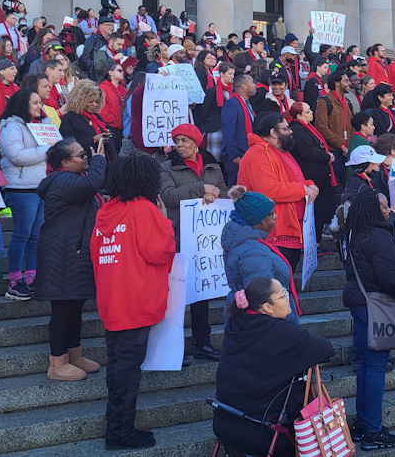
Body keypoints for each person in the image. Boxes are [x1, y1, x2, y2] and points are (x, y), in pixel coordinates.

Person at [91, 154, 176, 450]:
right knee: (127, 371)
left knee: (117, 367)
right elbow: (160, 251)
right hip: (136, 301)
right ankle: (120, 432)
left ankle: (116, 426)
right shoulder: (144, 210)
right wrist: (164, 220)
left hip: (113, 300)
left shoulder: (107, 211)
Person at [213, 277, 334, 457]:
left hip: (225, 424)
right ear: (267, 307)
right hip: (264, 433)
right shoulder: (281, 331)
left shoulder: (235, 325)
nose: (289, 299)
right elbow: (326, 349)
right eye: (284, 295)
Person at [342, 190, 395, 450]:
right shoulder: (378, 236)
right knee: (374, 368)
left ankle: (363, 424)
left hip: (362, 304)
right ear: (373, 209)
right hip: (376, 306)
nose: (388, 210)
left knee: (366, 366)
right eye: (383, 206)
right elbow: (391, 277)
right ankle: (372, 430)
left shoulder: (357, 234)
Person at [35, 137, 106, 380]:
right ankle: (57, 362)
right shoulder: (63, 180)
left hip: (72, 251)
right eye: (79, 155)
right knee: (64, 308)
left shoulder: (71, 179)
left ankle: (74, 355)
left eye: (85, 154)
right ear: (65, 162)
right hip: (61, 253)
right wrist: (99, 160)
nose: (85, 156)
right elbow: (95, 181)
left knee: (75, 304)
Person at [159, 123, 227, 361]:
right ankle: (170, 346)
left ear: (196, 143)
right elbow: (167, 197)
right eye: (176, 141)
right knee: (174, 293)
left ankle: (203, 342)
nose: (179, 146)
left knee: (201, 292)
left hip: (204, 240)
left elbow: (224, 193)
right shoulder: (167, 168)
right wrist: (201, 188)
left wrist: (219, 193)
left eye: (184, 141)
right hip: (178, 236)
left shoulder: (212, 166)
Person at [238, 112, 319, 270]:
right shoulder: (258, 153)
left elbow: (293, 180)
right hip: (272, 235)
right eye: (286, 128)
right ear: (273, 132)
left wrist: (311, 185)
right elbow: (269, 190)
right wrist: (304, 189)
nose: (290, 132)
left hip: (288, 230)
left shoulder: (280, 152)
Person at [223, 186, 301, 324]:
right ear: (258, 220)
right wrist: (289, 323)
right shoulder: (253, 252)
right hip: (270, 325)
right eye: (270, 214)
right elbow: (261, 298)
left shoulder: (248, 244)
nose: (275, 216)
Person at [0, 89, 51, 301]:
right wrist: (46, 150)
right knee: (21, 235)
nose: (40, 106)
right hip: (20, 188)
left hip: (36, 186)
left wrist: (47, 121)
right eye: (36, 103)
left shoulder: (36, 125)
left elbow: (52, 143)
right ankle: (14, 282)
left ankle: (31, 277)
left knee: (35, 236)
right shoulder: (11, 127)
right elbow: (16, 156)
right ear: (24, 104)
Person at [289, 102, 336, 242]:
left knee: (322, 209)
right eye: (308, 112)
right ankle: (313, 242)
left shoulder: (307, 128)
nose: (311, 113)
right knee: (317, 209)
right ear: (299, 115)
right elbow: (308, 152)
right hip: (312, 175)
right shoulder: (297, 130)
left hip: (320, 175)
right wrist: (327, 157)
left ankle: (317, 240)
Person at [59, 79, 117, 163]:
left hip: (103, 163)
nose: (94, 105)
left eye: (97, 102)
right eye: (90, 102)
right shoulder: (69, 119)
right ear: (80, 100)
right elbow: (67, 146)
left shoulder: (97, 118)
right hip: (84, 165)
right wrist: (93, 139)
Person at [315, 70, 353, 192]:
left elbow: (350, 126)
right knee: (337, 189)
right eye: (346, 81)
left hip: (346, 151)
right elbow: (322, 128)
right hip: (333, 152)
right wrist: (341, 145)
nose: (349, 84)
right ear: (337, 83)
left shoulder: (346, 102)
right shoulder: (324, 101)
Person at [221, 74, 257, 186]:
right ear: (243, 86)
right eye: (251, 83)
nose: (255, 85)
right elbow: (228, 132)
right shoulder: (231, 104)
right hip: (237, 157)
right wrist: (235, 156)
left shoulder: (248, 104)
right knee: (236, 190)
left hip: (247, 154)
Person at [98, 62, 127, 154]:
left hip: (122, 127)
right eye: (119, 70)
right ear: (110, 73)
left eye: (122, 71)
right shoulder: (102, 87)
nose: (122, 72)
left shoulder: (123, 89)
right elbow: (102, 110)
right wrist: (115, 120)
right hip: (111, 127)